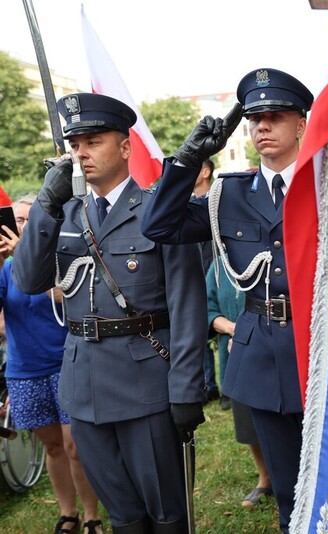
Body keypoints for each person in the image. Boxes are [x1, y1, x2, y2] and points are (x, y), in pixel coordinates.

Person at [12, 92, 207, 533]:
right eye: (76, 144)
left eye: (93, 141)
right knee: (123, 516)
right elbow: (27, 281)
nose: (82, 153)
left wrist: (186, 389)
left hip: (147, 385)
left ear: (124, 147)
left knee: (166, 513)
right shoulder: (64, 213)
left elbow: (187, 306)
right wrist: (44, 205)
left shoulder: (159, 211)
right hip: (84, 387)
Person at [141, 68, 313, 534]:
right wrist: (189, 157)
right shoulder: (229, 194)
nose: (261, 126)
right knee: (288, 488)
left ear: (301, 123)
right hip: (262, 353)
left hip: (323, 346)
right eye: (254, 117)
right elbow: (157, 226)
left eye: (275, 116)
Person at [0, 196, 103, 534]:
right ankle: (68, 513)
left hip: (66, 364)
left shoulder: (60, 259)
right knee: (54, 448)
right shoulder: (4, 268)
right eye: (17, 218)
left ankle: (92, 516)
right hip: (25, 370)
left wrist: (25, 258)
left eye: (31, 219)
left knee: (76, 446)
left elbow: (66, 296)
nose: (24, 225)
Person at [205, 259, 272, 507]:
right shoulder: (219, 265)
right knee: (246, 421)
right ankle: (265, 479)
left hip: (269, 348)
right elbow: (208, 310)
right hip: (234, 354)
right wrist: (235, 329)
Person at [193, 159, 222, 405]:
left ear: (206, 171)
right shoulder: (189, 206)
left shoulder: (221, 200)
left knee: (223, 328)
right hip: (198, 275)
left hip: (222, 276)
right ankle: (207, 385)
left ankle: (231, 391)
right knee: (198, 332)